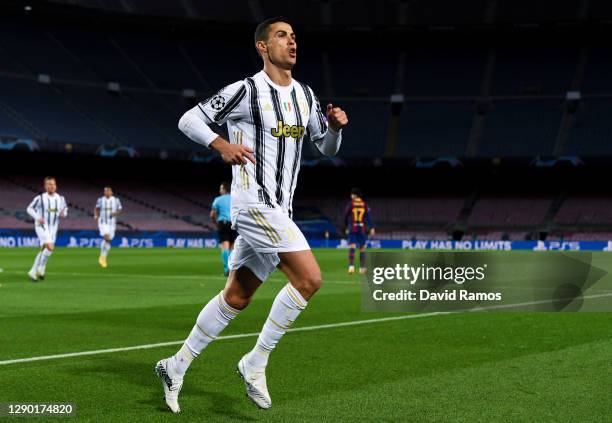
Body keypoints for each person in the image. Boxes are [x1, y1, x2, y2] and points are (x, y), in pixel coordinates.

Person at [155, 16, 348, 413]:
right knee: (310, 279)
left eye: (294, 36)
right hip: (253, 204)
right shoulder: (245, 90)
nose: (291, 42)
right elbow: (188, 118)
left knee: (237, 297)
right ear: (263, 46)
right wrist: (221, 144)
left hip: (280, 208)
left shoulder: (306, 96)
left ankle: (175, 365)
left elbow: (325, 147)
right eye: (282, 36)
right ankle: (255, 361)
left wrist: (334, 129)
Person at [26, 176, 68, 281]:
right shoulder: (40, 198)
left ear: (56, 185)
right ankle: (40, 267)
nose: (51, 186)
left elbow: (64, 210)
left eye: (53, 184)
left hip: (53, 228)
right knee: (50, 246)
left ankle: (33, 271)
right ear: (45, 186)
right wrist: (38, 217)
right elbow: (29, 208)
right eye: (49, 184)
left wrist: (64, 214)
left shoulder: (60, 198)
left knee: (46, 250)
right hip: (41, 226)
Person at [344, 187, 375, 274]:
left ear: (354, 195)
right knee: (362, 248)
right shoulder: (365, 204)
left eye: (352, 194)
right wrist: (372, 227)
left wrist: (346, 225)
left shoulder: (351, 204)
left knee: (352, 246)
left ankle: (351, 267)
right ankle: (362, 268)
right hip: (361, 228)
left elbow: (346, 215)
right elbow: (369, 217)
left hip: (352, 227)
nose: (351, 196)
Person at [211, 181, 237, 276]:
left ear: (224, 189)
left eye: (221, 188)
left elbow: (212, 214)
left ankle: (227, 269)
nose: (220, 190)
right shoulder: (235, 198)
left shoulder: (218, 199)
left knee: (224, 246)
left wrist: (215, 221)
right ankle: (233, 269)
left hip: (223, 223)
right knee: (232, 247)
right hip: (234, 224)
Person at [94, 186, 122, 268]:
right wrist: (96, 215)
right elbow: (96, 208)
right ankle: (102, 258)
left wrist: (115, 213)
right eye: (105, 191)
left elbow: (120, 209)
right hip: (103, 222)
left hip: (112, 224)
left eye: (108, 190)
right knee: (107, 238)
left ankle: (102, 257)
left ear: (112, 192)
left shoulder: (116, 200)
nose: (106, 192)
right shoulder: (100, 200)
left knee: (108, 241)